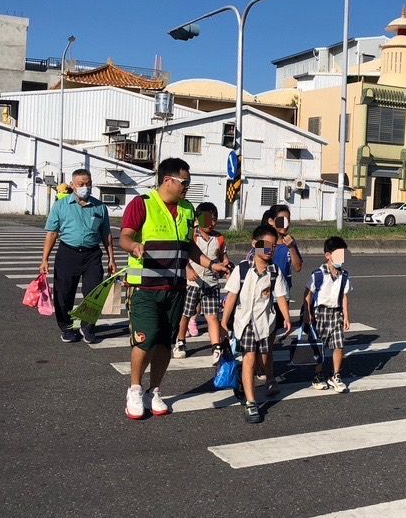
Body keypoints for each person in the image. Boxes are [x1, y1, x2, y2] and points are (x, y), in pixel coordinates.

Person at [120, 158, 230, 420]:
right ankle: (134, 389)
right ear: (168, 180)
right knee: (145, 341)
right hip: (145, 287)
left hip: (175, 287)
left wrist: (211, 264)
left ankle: (154, 390)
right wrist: (133, 246)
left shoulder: (187, 209)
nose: (187, 187)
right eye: (185, 182)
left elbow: (188, 247)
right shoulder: (142, 204)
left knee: (165, 345)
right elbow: (125, 236)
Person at [221, 224, 293, 424]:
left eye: (273, 246)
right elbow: (232, 295)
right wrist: (224, 320)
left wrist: (286, 317)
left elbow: (280, 296)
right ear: (255, 244)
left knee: (264, 355)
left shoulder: (275, 271)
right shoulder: (242, 269)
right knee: (249, 358)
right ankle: (251, 403)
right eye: (265, 245)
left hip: (265, 321)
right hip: (245, 322)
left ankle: (258, 381)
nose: (269, 250)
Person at [40, 169, 116, 344]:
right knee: (64, 293)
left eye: (88, 183)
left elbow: (107, 235)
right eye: (81, 184)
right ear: (73, 185)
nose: (85, 187)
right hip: (67, 253)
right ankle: (66, 328)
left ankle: (88, 327)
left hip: (92, 255)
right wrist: (44, 259)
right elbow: (52, 233)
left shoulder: (100, 207)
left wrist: (111, 259)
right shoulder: (61, 205)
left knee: (93, 293)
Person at [172, 202, 231, 363]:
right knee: (186, 313)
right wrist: (188, 269)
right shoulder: (193, 236)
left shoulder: (219, 238)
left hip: (211, 282)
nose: (211, 223)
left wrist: (227, 270)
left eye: (214, 219)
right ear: (198, 219)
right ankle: (180, 341)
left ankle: (216, 347)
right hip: (192, 283)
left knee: (212, 316)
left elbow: (223, 258)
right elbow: (184, 255)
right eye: (207, 219)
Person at [304, 236, 352, 393]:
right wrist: (307, 314)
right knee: (319, 347)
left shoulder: (344, 275)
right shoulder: (318, 274)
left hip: (336, 312)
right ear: (328, 255)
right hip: (320, 313)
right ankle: (318, 375)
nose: (341, 258)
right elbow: (308, 294)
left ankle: (336, 375)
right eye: (338, 254)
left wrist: (346, 316)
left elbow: (344, 296)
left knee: (339, 345)